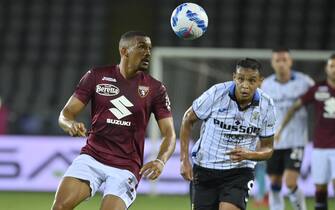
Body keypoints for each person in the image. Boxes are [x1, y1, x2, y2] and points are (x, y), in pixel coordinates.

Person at [52, 31, 176, 210]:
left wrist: (161, 160)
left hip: (126, 166)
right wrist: (69, 124)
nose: (148, 52)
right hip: (92, 157)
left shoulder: (155, 89)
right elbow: (66, 114)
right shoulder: (96, 76)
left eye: (149, 48)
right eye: (141, 47)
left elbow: (169, 134)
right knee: (60, 207)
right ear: (124, 51)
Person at [180, 58, 276, 210]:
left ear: (260, 81)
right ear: (234, 77)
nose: (245, 85)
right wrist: (184, 160)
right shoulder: (216, 93)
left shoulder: (267, 105)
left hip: (239, 173)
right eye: (241, 79)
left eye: (252, 80)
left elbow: (268, 149)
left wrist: (249, 154)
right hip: (205, 168)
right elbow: (187, 119)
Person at [276, 53, 335, 210]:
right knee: (320, 188)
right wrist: (281, 128)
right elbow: (295, 107)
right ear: (327, 68)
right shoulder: (317, 89)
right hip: (320, 147)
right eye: (332, 66)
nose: (334, 69)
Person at [261, 48, 314, 210]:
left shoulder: (304, 82)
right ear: (273, 63)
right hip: (273, 141)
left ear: (290, 62)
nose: (281, 64)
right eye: (278, 60)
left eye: (284, 60)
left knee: (290, 182)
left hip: (296, 140)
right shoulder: (266, 84)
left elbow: (319, 98)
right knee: (275, 182)